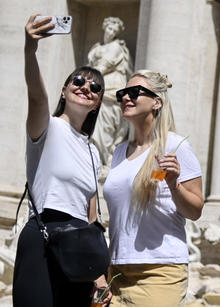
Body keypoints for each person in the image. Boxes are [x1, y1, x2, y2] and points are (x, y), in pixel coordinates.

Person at [13, 14, 111, 306]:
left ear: (97, 102)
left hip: (80, 246)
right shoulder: (48, 126)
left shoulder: (92, 150)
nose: (86, 87)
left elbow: (92, 213)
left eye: (95, 87)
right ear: (65, 90)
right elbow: (36, 97)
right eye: (78, 81)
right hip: (44, 234)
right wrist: (30, 50)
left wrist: (100, 276)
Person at [103, 70, 204, 306]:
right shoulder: (119, 152)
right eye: (121, 94)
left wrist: (174, 184)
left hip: (160, 270)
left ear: (157, 102)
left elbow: (196, 210)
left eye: (134, 92)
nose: (125, 98)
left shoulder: (175, 145)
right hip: (117, 270)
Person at [88, 17, 132, 175]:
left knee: (104, 130)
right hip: (96, 90)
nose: (111, 32)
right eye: (109, 29)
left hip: (109, 92)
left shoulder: (115, 47)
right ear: (104, 28)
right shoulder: (97, 47)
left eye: (114, 30)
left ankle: (102, 162)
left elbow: (103, 66)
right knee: (93, 128)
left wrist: (85, 77)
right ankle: (92, 162)